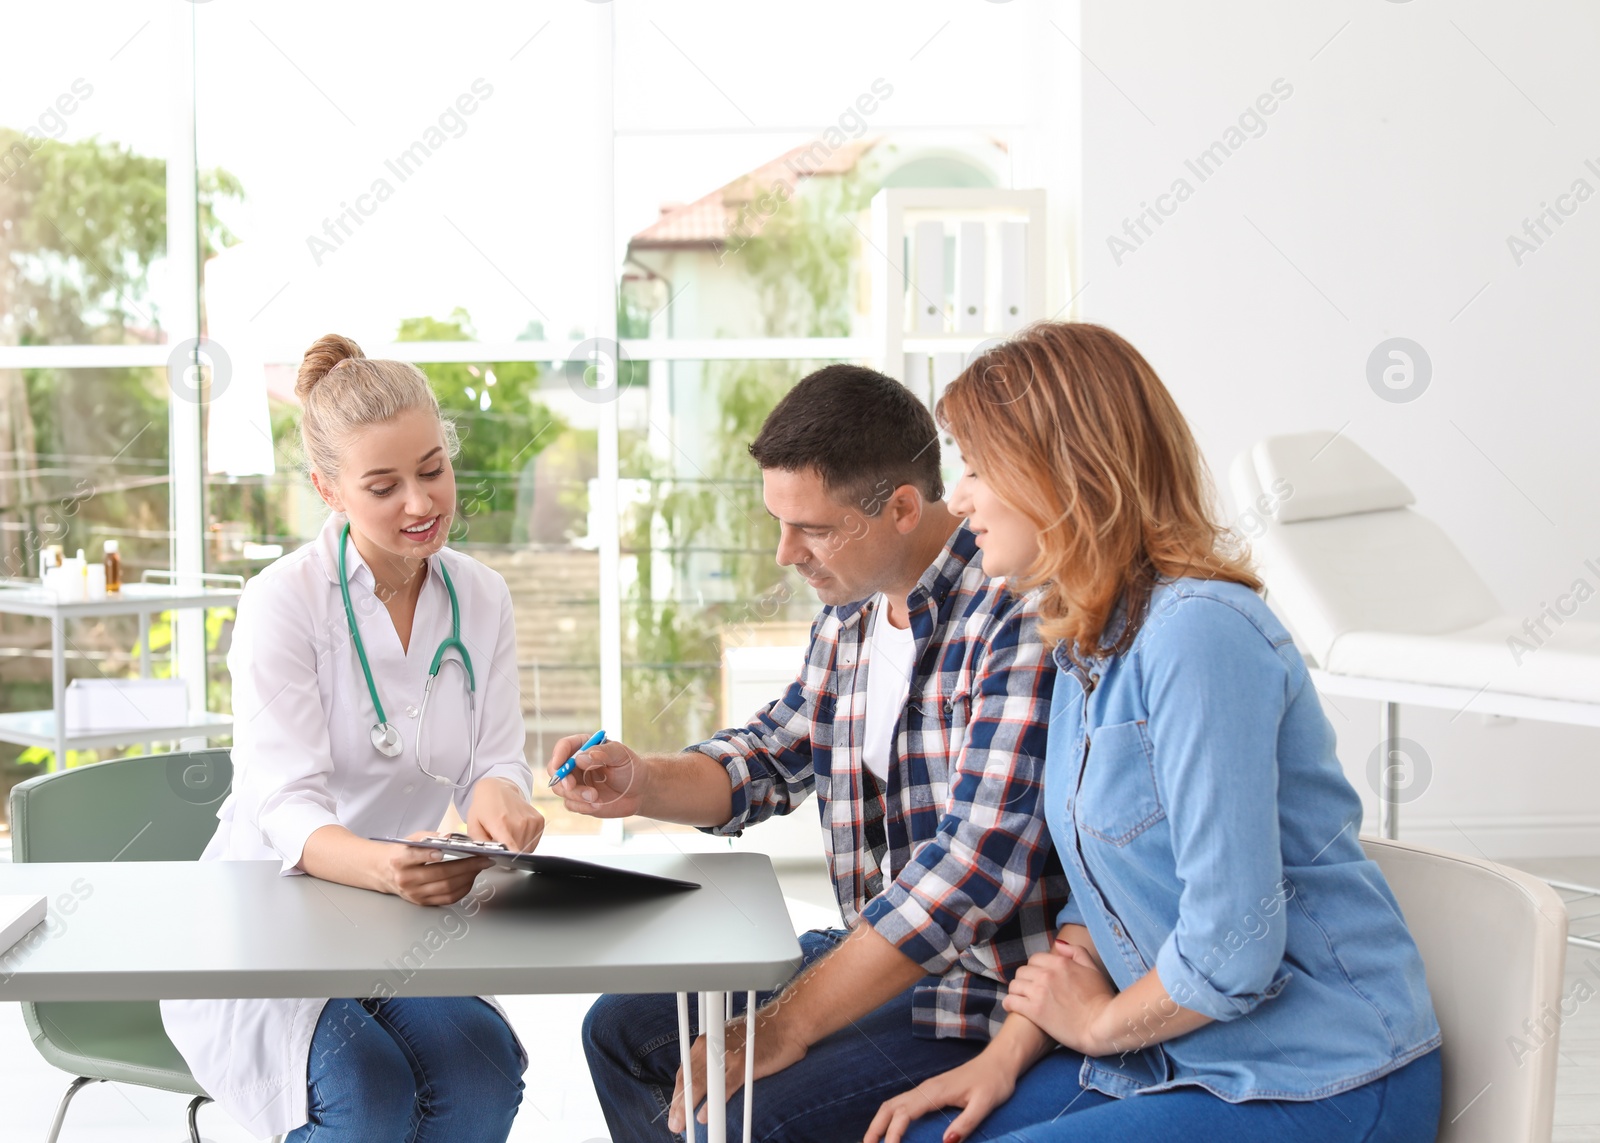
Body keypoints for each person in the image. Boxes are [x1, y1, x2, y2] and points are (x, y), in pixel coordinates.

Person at [864, 322, 1443, 1143]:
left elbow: (1231, 946)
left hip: (1316, 1077)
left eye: (978, 467)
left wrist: (1096, 1029)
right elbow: (1111, 900)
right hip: (1186, 1054)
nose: (957, 499)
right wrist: (1007, 1052)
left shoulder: (1199, 636)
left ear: (1061, 472)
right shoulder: (1086, 645)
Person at [562, 364, 1068, 1142]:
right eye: (779, 522)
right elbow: (771, 754)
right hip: (870, 946)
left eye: (813, 528)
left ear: (902, 507)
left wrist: (786, 1023)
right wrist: (640, 781)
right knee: (621, 1032)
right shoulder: (854, 612)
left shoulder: (1014, 614)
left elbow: (970, 870)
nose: (784, 553)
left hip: (972, 992)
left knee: (743, 1119)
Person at [160, 335, 543, 1142]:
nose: (420, 502)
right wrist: (390, 868)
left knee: (482, 1069)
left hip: (401, 915)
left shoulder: (480, 595)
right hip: (273, 909)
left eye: (432, 469)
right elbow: (285, 806)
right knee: (367, 1092)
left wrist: (502, 802)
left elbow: (493, 760)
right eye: (383, 485)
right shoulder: (283, 602)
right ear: (327, 489)